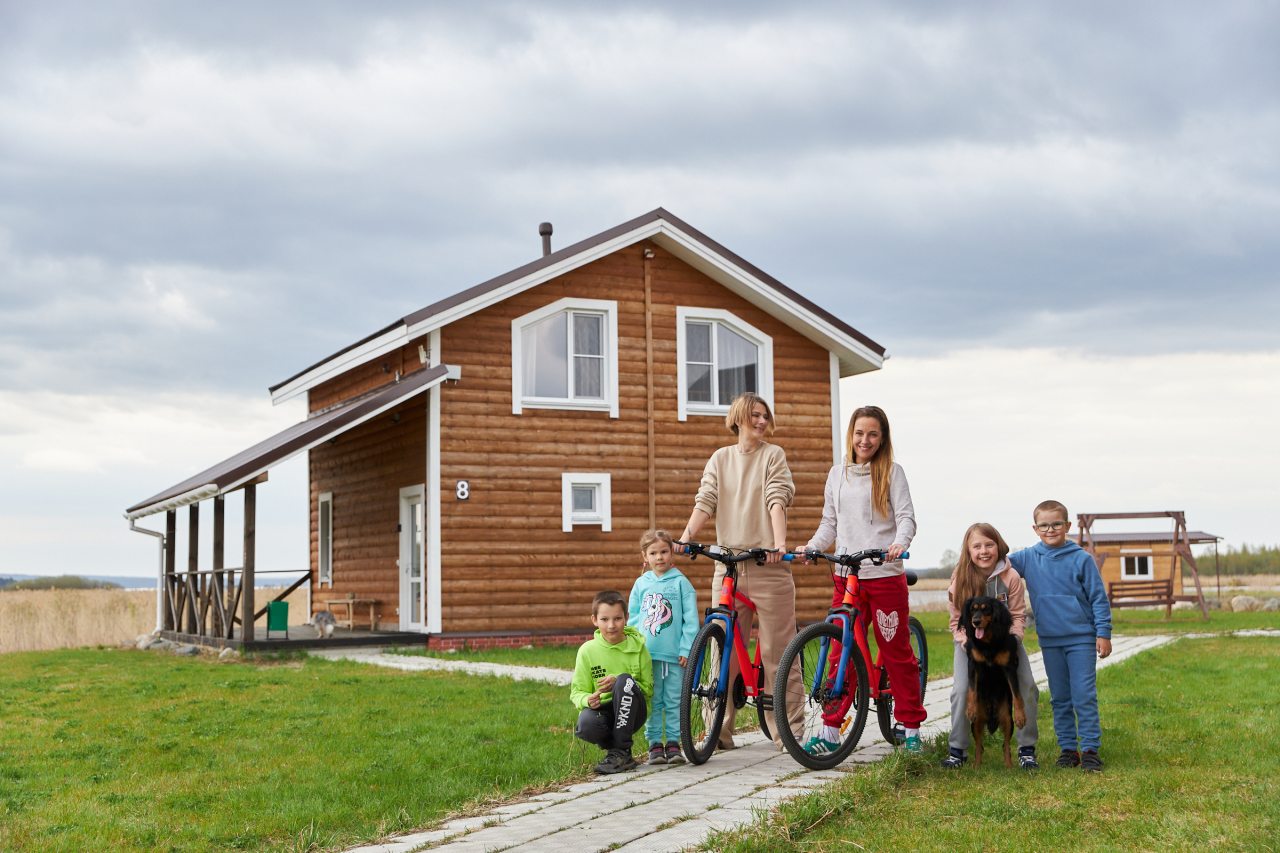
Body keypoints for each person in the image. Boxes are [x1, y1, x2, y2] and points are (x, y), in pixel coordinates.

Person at [796, 404, 925, 754]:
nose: (864, 440)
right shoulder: (837, 474)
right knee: (841, 650)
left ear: (882, 439)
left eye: (872, 434)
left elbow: (906, 518)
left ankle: (911, 726)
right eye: (859, 433)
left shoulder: (892, 473)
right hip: (846, 577)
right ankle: (830, 730)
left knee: (895, 651)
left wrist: (900, 543)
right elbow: (830, 524)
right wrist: (812, 547)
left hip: (883, 575)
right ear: (850, 435)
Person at [678, 392, 800, 748]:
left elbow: (776, 497)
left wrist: (780, 543)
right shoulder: (720, 458)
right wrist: (686, 539)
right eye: (755, 415)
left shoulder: (772, 455)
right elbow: (706, 500)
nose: (761, 422)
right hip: (728, 567)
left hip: (768, 566)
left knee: (778, 653)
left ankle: (787, 732)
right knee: (722, 652)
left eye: (765, 416)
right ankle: (717, 730)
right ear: (738, 418)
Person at [1008, 499, 1112, 772]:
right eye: (1044, 525)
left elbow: (1099, 599)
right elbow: (994, 564)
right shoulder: (1028, 557)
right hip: (1050, 640)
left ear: (1066, 526)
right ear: (1035, 528)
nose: (1050, 529)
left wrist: (1103, 633)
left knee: (1083, 695)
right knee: (1059, 697)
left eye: (1056, 524)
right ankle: (1068, 749)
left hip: (1081, 638)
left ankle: (1089, 749)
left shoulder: (1082, 559)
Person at [942, 522, 1040, 770]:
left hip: (1005, 642)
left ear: (998, 546)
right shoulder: (959, 579)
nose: (983, 551)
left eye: (989, 544)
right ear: (968, 550)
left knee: (1027, 685)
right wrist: (967, 643)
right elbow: (956, 622)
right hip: (970, 643)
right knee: (961, 690)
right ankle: (958, 750)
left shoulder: (1011, 577)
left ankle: (1026, 749)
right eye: (977, 546)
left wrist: (1014, 641)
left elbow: (1018, 616)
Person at [628, 529, 698, 765]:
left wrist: (685, 649)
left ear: (672, 554)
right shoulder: (640, 584)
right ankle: (655, 745)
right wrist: (634, 649)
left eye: (664, 552)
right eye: (654, 553)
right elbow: (634, 619)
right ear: (644, 557)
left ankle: (675, 744)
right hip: (648, 656)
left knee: (674, 699)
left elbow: (691, 621)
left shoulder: (681, 583)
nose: (660, 557)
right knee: (653, 700)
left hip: (674, 658)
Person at [570, 590, 654, 774]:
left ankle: (620, 751)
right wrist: (587, 700)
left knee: (624, 681)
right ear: (594, 620)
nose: (611, 625)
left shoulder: (639, 648)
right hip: (604, 710)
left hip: (634, 710)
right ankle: (617, 752)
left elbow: (647, 689)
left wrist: (620, 682)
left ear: (626, 618)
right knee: (585, 724)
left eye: (617, 619)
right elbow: (577, 692)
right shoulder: (587, 651)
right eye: (604, 619)